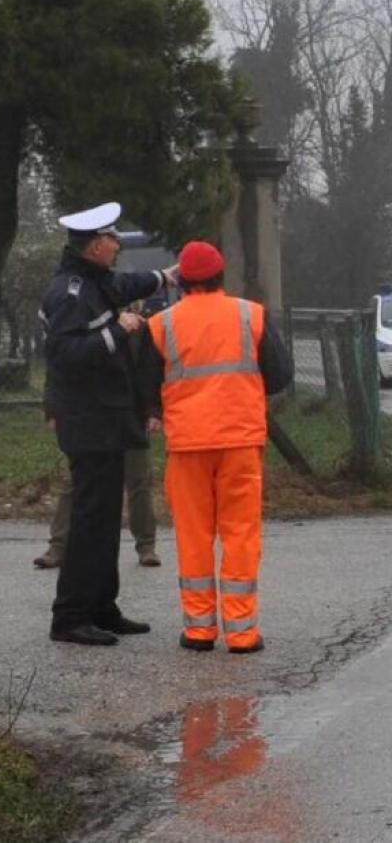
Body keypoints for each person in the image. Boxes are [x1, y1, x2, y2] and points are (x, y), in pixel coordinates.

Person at [145, 240, 292, 654]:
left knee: (194, 536)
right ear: (220, 276)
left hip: (188, 442)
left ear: (182, 281)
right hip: (240, 440)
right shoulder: (251, 315)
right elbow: (280, 375)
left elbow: (143, 383)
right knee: (241, 534)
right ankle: (242, 633)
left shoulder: (162, 324)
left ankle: (199, 631)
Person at [40, 203, 176, 646]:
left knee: (103, 521)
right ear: (97, 245)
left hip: (106, 418)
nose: (118, 247)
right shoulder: (71, 293)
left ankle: (102, 606)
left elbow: (122, 284)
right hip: (88, 420)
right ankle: (71, 615)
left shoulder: (96, 281)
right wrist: (120, 329)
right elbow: (65, 355)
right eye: (113, 240)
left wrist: (164, 276)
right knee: (90, 520)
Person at [34, 445, 160, 569]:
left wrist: (157, 422)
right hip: (87, 427)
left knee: (139, 482)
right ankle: (58, 547)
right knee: (74, 481)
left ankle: (146, 546)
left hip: (132, 427)